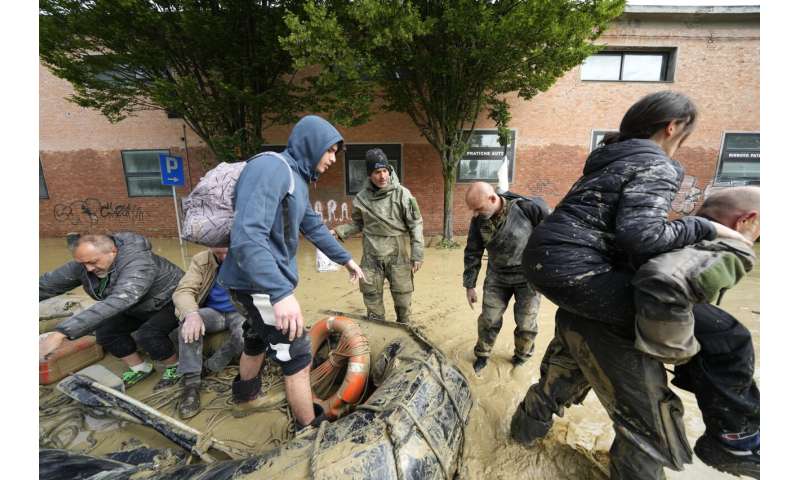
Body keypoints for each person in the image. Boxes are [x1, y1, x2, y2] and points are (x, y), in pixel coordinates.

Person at [509, 91, 752, 480]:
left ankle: (516, 440)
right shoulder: (658, 163)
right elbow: (642, 236)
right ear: (673, 127)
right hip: (579, 270)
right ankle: (736, 438)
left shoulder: (609, 159)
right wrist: (708, 227)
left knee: (556, 383)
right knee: (726, 334)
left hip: (551, 266)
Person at [218, 115, 366, 429]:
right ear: (312, 145)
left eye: (336, 153)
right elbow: (247, 236)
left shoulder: (297, 179)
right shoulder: (271, 169)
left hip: (258, 282)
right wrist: (281, 293)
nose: (332, 159)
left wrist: (345, 259)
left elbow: (312, 225)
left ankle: (245, 399)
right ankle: (309, 430)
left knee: (257, 336)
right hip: (256, 283)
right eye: (330, 151)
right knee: (298, 355)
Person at [632, 186, 760, 478]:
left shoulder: (677, 233)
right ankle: (735, 440)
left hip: (596, 307)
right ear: (746, 220)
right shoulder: (727, 246)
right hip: (635, 318)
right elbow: (663, 282)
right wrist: (675, 350)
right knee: (730, 338)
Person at [39, 232, 184, 389]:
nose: (88, 268)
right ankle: (140, 368)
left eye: (93, 262)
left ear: (112, 251)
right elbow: (47, 285)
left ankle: (175, 366)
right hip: (137, 305)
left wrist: (61, 333)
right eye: (83, 263)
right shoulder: (85, 265)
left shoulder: (138, 262)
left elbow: (120, 300)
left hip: (170, 300)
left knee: (148, 334)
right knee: (106, 331)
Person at [462, 182, 549, 373]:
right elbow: (472, 251)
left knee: (526, 323)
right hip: (497, 277)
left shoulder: (528, 209)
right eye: (473, 210)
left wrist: (545, 276)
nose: (475, 214)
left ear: (493, 199)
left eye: (478, 209)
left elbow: (551, 240)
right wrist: (470, 285)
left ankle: (521, 357)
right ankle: (482, 355)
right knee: (488, 319)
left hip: (528, 278)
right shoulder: (478, 221)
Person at [333, 148, 424, 323]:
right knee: (372, 303)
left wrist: (417, 253)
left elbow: (416, 224)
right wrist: (339, 231)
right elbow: (358, 223)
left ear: (389, 171)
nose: (382, 176)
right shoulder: (361, 198)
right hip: (371, 256)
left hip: (398, 255)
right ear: (370, 175)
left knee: (403, 301)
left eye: (385, 171)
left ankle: (405, 336)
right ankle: (378, 336)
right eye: (377, 172)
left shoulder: (402, 194)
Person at [172, 246, 246, 419]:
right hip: (214, 312)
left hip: (241, 312)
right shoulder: (202, 259)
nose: (224, 256)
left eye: (228, 251)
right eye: (218, 253)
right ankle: (191, 384)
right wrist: (191, 314)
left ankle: (212, 366)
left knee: (245, 334)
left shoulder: (250, 254)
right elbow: (183, 291)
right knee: (187, 326)